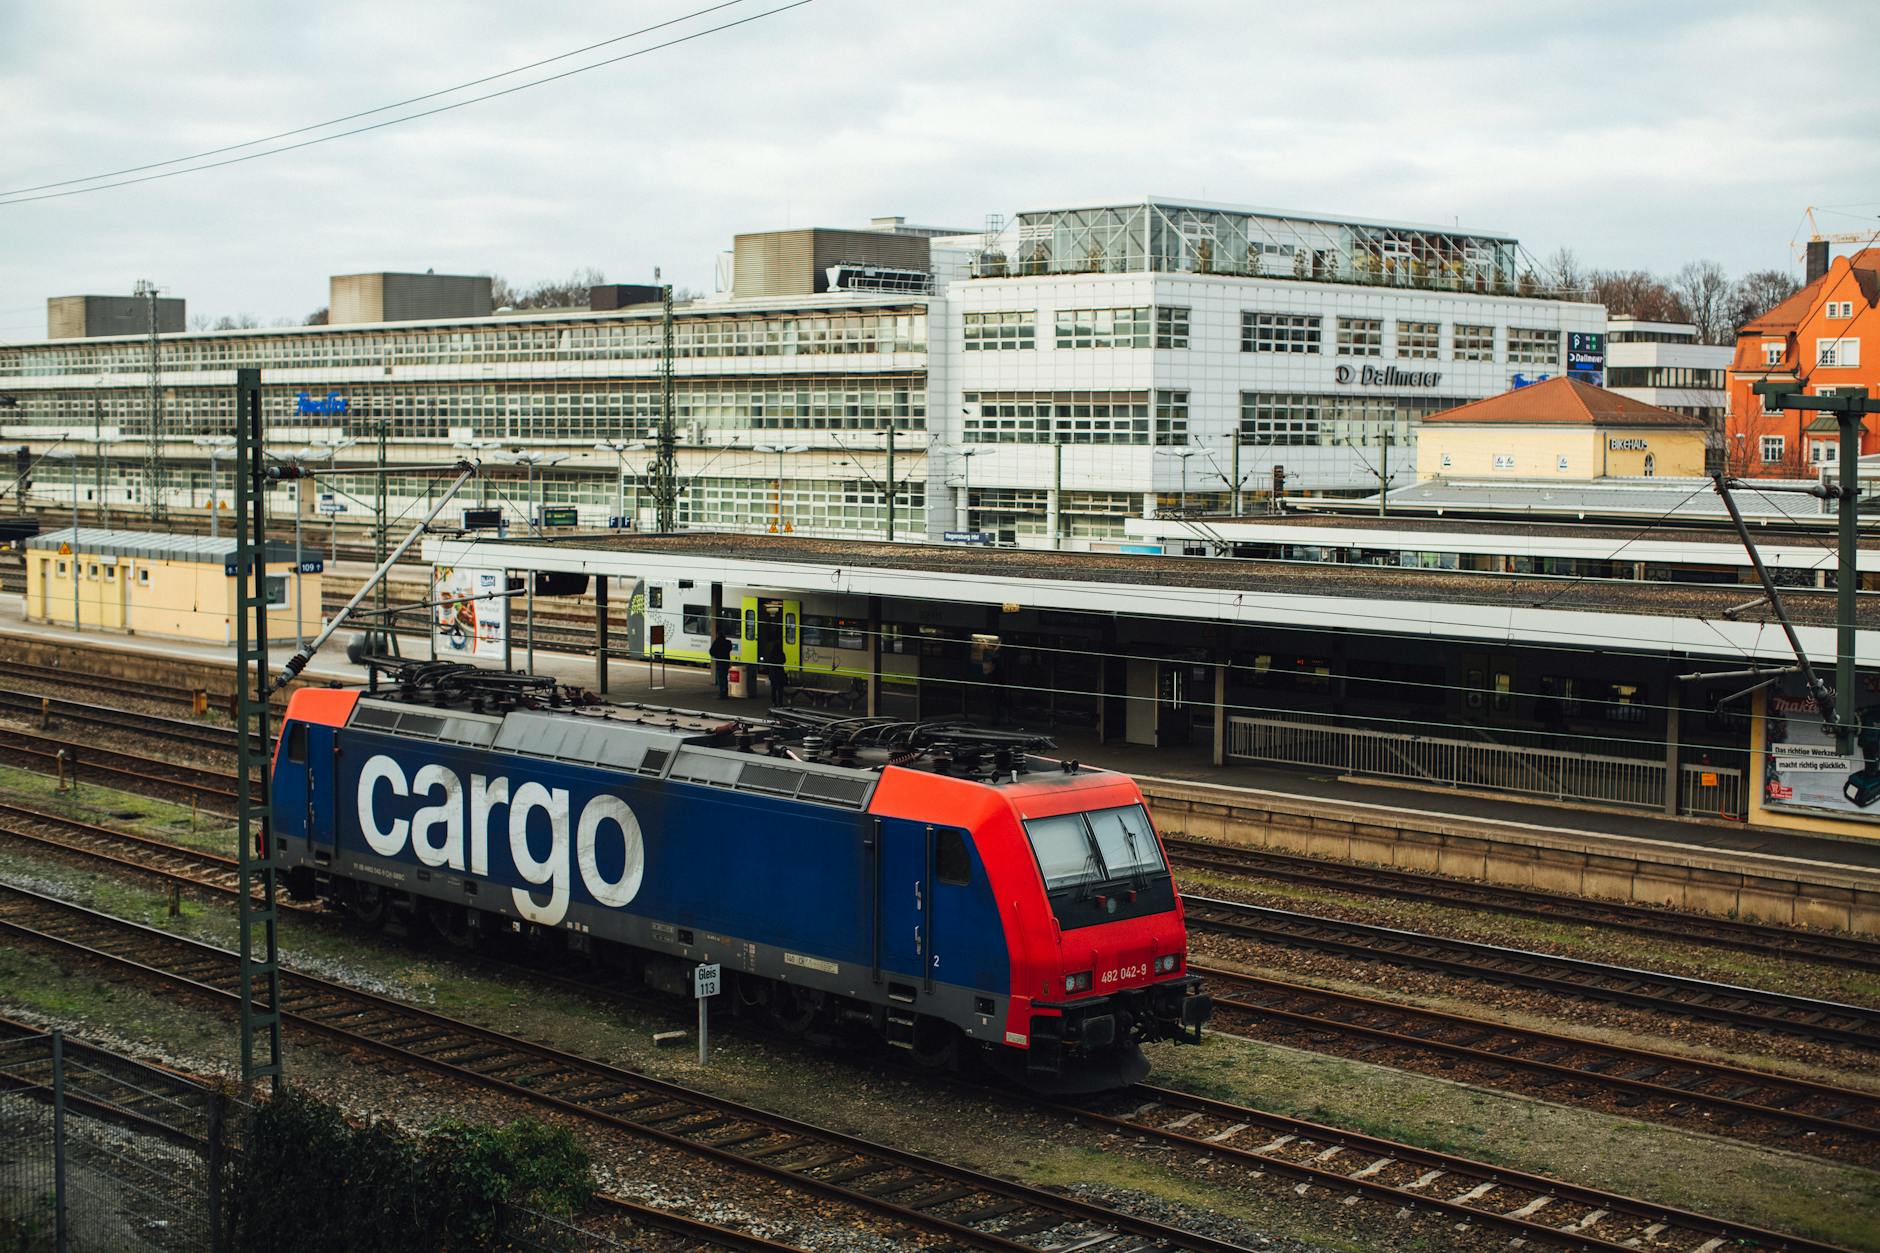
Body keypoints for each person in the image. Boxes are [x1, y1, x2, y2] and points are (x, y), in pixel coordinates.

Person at [709, 630, 733, 699]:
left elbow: (711, 651)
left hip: (720, 662)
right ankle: (725, 692)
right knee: (725, 677)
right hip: (726, 662)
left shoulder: (717, 642)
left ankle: (722, 693)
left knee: (720, 678)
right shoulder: (728, 642)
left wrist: (716, 656)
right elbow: (730, 649)